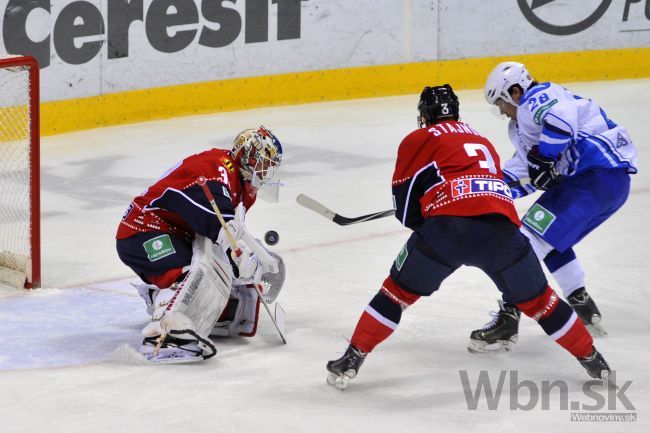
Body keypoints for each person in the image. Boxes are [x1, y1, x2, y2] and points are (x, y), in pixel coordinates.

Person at [325, 84, 610, 390]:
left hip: (446, 231)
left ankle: (352, 358)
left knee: (395, 294)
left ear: (425, 115)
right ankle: (593, 359)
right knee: (542, 303)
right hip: (502, 232)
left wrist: (427, 222)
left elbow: (406, 207)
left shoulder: (418, 138)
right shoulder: (482, 140)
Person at [469, 62, 638, 353]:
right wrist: (486, 191)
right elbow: (526, 172)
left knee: (525, 241)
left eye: (501, 102)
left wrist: (546, 159)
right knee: (551, 242)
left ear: (516, 91)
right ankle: (581, 302)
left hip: (592, 179)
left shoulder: (539, 97)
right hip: (603, 186)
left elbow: (560, 124)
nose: (502, 110)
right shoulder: (523, 124)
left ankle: (509, 318)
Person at [116, 126, 284, 363]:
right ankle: (163, 336)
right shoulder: (217, 167)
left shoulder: (244, 188)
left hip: (174, 232)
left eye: (270, 166)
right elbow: (218, 224)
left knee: (213, 268)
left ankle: (161, 299)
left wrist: (245, 257)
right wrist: (242, 257)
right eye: (264, 163)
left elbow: (231, 232)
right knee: (189, 275)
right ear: (249, 156)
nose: (266, 171)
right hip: (143, 231)